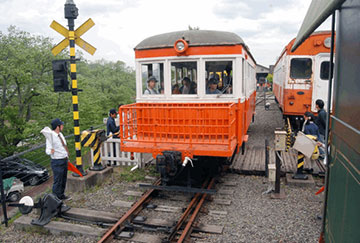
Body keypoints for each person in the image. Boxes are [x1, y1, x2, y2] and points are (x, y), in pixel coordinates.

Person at [45, 118, 71, 201]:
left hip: (64, 160)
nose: (63, 126)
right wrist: (50, 151)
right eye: (61, 125)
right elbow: (47, 150)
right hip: (57, 161)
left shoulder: (61, 134)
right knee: (58, 181)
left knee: (63, 179)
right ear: (57, 127)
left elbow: (63, 146)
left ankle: (61, 195)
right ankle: (55, 200)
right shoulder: (51, 137)